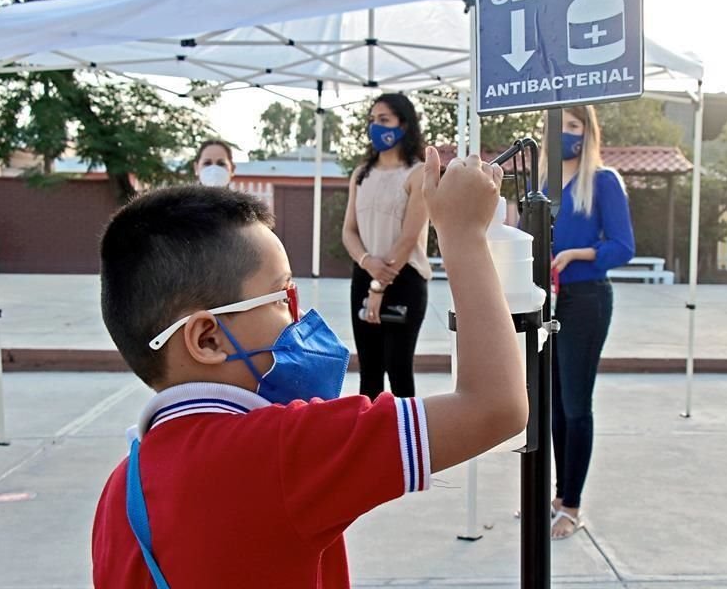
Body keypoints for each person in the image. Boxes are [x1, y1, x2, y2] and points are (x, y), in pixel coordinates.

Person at [91, 149, 525, 587]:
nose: (298, 317)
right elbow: (494, 405)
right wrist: (463, 235)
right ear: (208, 339)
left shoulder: (121, 488)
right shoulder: (281, 452)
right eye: (281, 298)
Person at [541, 105, 635, 540]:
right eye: (560, 124)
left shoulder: (602, 182)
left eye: (574, 126)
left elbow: (623, 246)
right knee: (555, 405)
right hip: (548, 301)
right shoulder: (543, 183)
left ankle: (573, 506)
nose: (566, 133)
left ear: (588, 133)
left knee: (577, 406)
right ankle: (559, 496)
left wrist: (578, 255)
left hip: (586, 299)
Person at [341, 93, 431, 399]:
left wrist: (378, 288)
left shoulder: (418, 174)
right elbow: (349, 232)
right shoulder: (361, 173)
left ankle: (408, 444)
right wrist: (367, 263)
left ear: (403, 125)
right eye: (372, 120)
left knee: (398, 369)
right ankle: (372, 444)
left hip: (404, 278)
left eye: (384, 120)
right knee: (370, 373)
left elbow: (408, 238)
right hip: (365, 273)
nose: (375, 127)